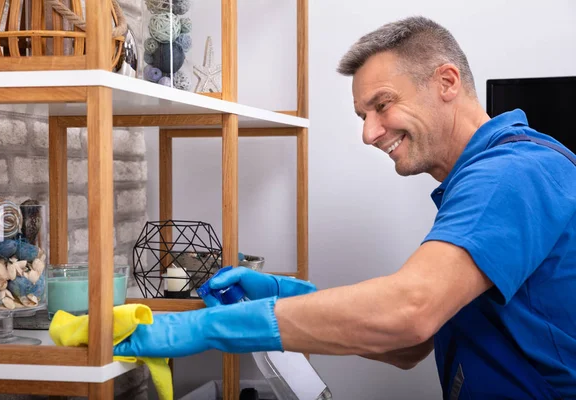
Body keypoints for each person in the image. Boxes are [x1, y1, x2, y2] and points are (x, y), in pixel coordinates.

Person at [115, 16, 576, 399]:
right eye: (362, 116)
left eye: (382, 105)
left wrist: (206, 327)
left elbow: (410, 310)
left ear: (447, 82)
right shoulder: (489, 177)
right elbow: (408, 344)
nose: (369, 133)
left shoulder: (510, 174)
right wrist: (284, 298)